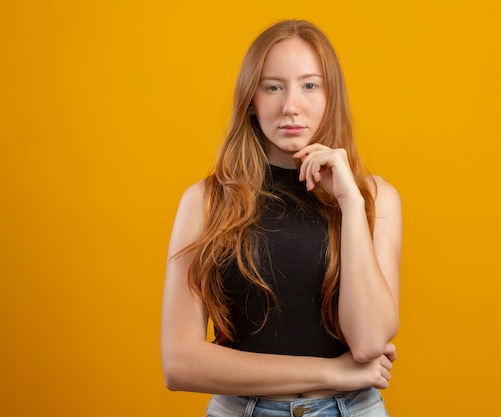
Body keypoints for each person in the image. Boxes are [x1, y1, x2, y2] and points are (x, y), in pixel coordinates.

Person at [161, 19, 402, 416]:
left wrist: (351, 204)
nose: (291, 105)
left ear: (331, 96)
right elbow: (180, 364)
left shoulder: (376, 200)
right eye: (273, 86)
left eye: (310, 85)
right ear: (251, 100)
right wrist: (334, 373)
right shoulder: (205, 202)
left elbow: (369, 341)